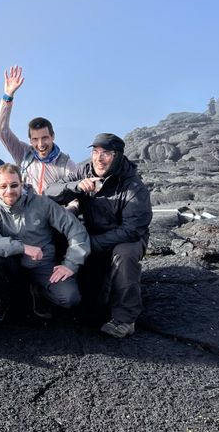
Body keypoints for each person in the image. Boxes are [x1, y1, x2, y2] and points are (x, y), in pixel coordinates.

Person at [46, 133, 152, 338]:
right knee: (93, 307)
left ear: (118, 156)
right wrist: (75, 186)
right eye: (95, 152)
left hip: (126, 239)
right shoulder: (84, 172)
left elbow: (132, 230)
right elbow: (50, 191)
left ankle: (125, 319)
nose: (99, 158)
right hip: (94, 235)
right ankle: (48, 296)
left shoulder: (133, 186)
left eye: (106, 153)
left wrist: (90, 244)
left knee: (124, 254)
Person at [0, 164, 89, 323]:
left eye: (14, 185)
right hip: (13, 266)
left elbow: (75, 229)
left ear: (22, 184)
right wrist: (22, 247)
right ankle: (4, 297)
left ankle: (38, 291)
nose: (9, 190)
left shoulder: (42, 203)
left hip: (43, 265)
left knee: (70, 298)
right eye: (3, 186)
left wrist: (71, 263)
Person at [0, 66, 76, 194]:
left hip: (53, 212)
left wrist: (67, 212)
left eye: (44, 138)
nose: (40, 144)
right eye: (35, 139)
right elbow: (2, 131)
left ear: (52, 136)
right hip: (26, 211)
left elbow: (75, 198)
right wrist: (8, 96)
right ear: (30, 140)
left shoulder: (66, 163)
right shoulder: (24, 154)